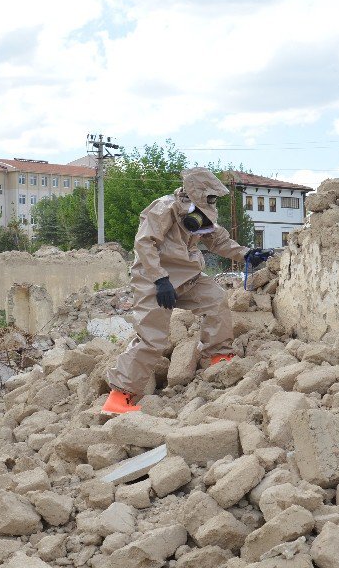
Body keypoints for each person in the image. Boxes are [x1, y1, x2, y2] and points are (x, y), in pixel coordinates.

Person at [102, 167, 272, 416]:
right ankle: (119, 397)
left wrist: (246, 253)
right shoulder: (165, 208)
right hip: (155, 280)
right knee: (153, 339)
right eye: (211, 196)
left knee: (215, 299)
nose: (213, 202)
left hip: (187, 277)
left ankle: (218, 357)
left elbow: (219, 240)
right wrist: (160, 280)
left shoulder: (199, 213)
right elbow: (145, 243)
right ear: (197, 192)